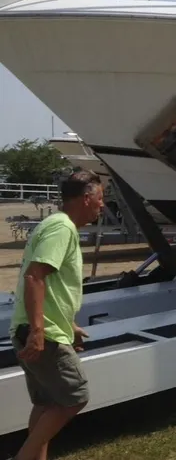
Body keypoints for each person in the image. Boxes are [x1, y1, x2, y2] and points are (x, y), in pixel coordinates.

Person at [9, 169, 104, 460]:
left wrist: (69, 324)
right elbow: (35, 277)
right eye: (101, 199)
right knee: (74, 398)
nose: (102, 205)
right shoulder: (62, 227)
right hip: (43, 334)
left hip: (37, 328)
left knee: (47, 403)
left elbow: (51, 284)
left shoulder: (55, 225)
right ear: (86, 198)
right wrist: (39, 331)